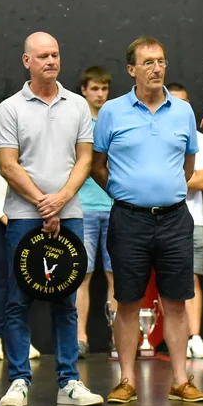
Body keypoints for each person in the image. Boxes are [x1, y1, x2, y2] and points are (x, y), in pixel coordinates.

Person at [93, 36, 203, 404]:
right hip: (128, 220)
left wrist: (162, 190)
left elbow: (188, 165)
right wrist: (126, 192)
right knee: (127, 301)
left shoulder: (183, 111)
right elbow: (97, 165)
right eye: (148, 63)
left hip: (175, 220)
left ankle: (180, 380)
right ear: (131, 69)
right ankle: (126, 380)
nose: (157, 68)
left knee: (175, 301)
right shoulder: (112, 112)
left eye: (161, 61)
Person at [0, 32, 104, 406]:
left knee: (66, 302)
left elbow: (85, 159)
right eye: (42, 56)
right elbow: (8, 165)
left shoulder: (77, 105)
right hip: (24, 217)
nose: (51, 61)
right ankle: (18, 381)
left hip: (70, 215)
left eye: (55, 54)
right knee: (17, 301)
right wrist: (44, 203)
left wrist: (60, 201)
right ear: (27, 61)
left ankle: (69, 381)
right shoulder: (10, 108)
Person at [0, 108, 42, 362]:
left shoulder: (27, 149)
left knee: (23, 279)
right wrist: (1, 214)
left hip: (23, 218)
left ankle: (22, 341)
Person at [167, 83, 203, 359]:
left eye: (184, 102)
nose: (179, 107)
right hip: (158, 219)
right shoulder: (153, 136)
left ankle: (194, 337)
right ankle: (170, 339)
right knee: (163, 281)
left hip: (193, 221)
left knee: (191, 278)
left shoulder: (202, 141)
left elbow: (202, 180)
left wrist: (163, 182)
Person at [76, 66, 117, 358]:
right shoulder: (78, 123)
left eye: (104, 89)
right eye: (94, 89)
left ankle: (119, 337)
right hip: (84, 207)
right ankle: (80, 337)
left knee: (116, 275)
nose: (100, 94)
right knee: (83, 275)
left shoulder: (115, 121)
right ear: (84, 90)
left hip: (115, 207)